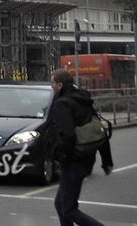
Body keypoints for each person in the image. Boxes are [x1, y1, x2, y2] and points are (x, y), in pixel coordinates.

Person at [50, 68, 113, 226]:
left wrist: (62, 158)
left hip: (73, 162)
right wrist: (107, 161)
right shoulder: (83, 100)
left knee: (68, 209)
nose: (51, 87)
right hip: (86, 159)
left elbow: (68, 136)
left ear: (60, 85)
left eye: (52, 83)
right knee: (61, 205)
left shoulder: (62, 104)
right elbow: (98, 131)